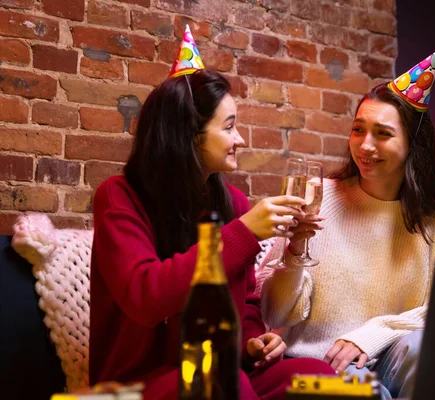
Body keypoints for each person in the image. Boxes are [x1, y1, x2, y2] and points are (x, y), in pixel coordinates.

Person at [89, 26, 334, 400]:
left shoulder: (232, 202)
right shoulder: (119, 197)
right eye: (230, 127)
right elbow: (145, 297)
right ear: (188, 134)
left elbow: (246, 302)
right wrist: (243, 234)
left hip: (221, 371)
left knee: (320, 379)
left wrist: (255, 341)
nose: (241, 139)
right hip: (138, 383)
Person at [256, 48, 435, 399]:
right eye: (358, 130)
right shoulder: (318, 196)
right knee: (363, 394)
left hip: (394, 351)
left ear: (413, 145)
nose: (365, 145)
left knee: (424, 351)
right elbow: (276, 312)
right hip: (321, 362)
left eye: (382, 134)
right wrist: (293, 251)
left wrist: (370, 334)